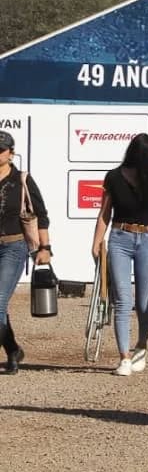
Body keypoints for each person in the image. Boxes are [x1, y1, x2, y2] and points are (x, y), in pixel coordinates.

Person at [89, 133, 148, 377]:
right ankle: (124, 357)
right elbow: (105, 213)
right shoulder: (114, 177)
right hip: (120, 239)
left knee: (145, 302)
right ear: (143, 154)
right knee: (123, 299)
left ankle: (141, 347)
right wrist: (96, 242)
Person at [0, 130, 52, 374]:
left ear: (11, 153)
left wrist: (45, 247)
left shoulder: (21, 179)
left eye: (1, 149)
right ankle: (12, 350)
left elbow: (40, 214)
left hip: (13, 246)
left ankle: (11, 350)